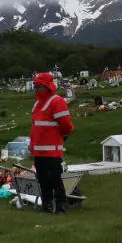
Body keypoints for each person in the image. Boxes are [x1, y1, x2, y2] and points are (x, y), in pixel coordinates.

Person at [29, 72, 74, 214]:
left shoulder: (57, 101)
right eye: (35, 86)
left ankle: (61, 205)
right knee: (42, 180)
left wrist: (62, 136)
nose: (36, 89)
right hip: (38, 150)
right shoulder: (37, 104)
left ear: (48, 87)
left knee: (55, 179)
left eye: (39, 87)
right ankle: (47, 204)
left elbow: (66, 125)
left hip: (52, 151)